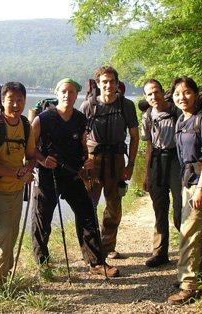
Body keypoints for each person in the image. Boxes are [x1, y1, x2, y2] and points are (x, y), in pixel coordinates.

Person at [31, 78, 119, 277]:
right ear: (57, 93)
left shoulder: (80, 119)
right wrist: (43, 160)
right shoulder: (42, 119)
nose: (67, 95)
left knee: (88, 213)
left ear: (76, 95)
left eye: (71, 92)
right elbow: (31, 149)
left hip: (73, 174)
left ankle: (95, 261)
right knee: (41, 218)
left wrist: (87, 162)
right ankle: (42, 263)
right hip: (48, 175)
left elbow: (83, 145)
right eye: (63, 91)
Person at [167, 77, 202, 305]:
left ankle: (189, 287)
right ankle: (189, 275)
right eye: (177, 93)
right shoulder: (181, 120)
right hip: (188, 181)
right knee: (189, 229)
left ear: (195, 94)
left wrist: (200, 189)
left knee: (188, 231)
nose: (182, 97)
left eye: (186, 92)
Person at [0, 82, 36, 288]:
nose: (15, 104)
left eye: (19, 99)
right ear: (2, 101)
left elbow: (31, 156)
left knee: (11, 235)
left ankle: (4, 277)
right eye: (10, 99)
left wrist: (28, 169)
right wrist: (16, 173)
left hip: (16, 190)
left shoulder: (25, 124)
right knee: (1, 235)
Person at [80, 66, 139, 259]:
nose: (108, 85)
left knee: (114, 204)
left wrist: (130, 165)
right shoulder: (88, 106)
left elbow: (134, 137)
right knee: (89, 205)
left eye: (112, 81)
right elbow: (80, 138)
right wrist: (81, 162)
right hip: (92, 160)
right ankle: (90, 248)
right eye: (104, 81)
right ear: (98, 83)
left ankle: (107, 246)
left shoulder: (126, 105)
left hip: (116, 160)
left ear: (117, 83)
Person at [141, 79, 182, 267]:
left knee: (180, 209)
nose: (153, 96)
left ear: (162, 92)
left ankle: (189, 252)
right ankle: (160, 253)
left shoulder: (176, 110)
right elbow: (149, 146)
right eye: (149, 94)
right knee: (159, 208)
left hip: (176, 160)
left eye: (156, 92)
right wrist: (147, 174)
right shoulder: (148, 115)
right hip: (156, 161)